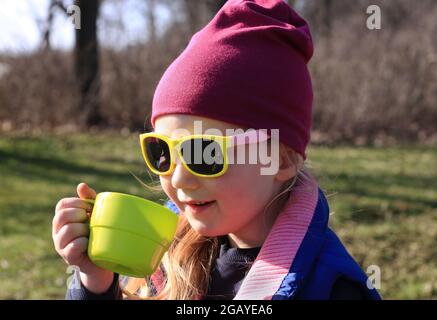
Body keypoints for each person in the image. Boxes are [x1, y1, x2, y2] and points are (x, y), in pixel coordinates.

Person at [52, 0, 381, 300]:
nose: (178, 178)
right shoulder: (163, 252)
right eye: (161, 152)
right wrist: (95, 283)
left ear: (280, 159)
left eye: (205, 154)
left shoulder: (333, 289)